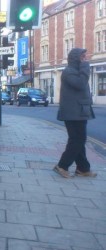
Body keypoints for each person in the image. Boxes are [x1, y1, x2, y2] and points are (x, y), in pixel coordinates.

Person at [54, 48, 97, 178]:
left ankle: (83, 168)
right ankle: (62, 165)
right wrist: (85, 66)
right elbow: (80, 84)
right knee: (77, 140)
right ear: (76, 58)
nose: (86, 59)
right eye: (83, 57)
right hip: (72, 113)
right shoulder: (69, 72)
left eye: (85, 56)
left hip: (79, 111)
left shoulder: (77, 71)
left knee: (78, 140)